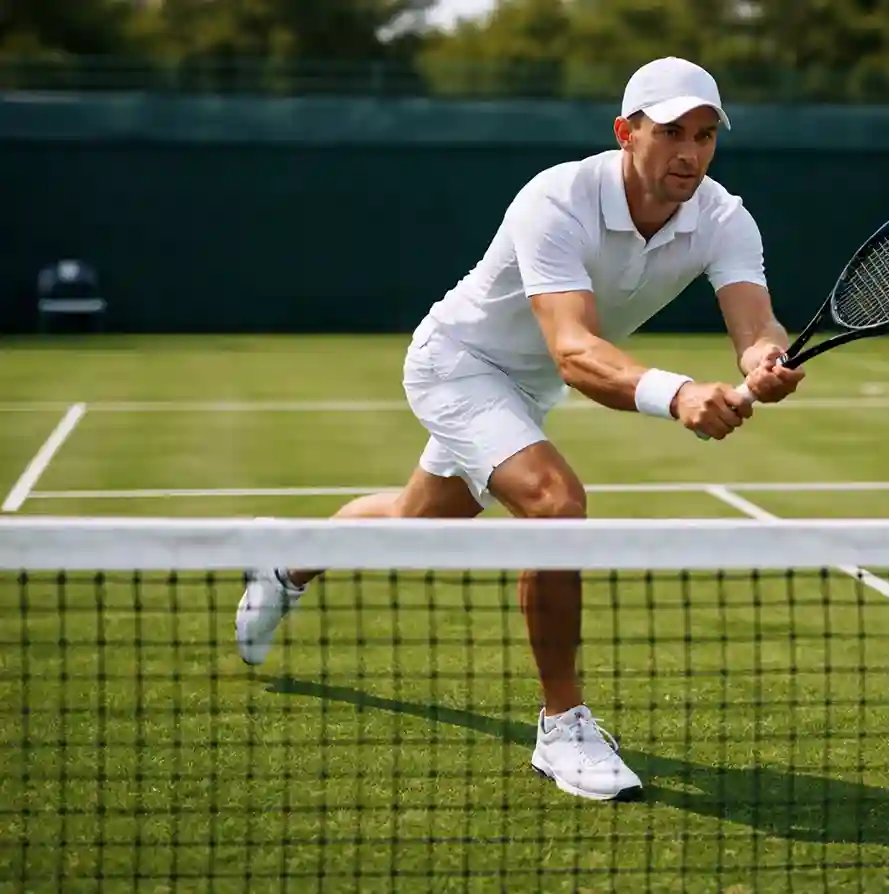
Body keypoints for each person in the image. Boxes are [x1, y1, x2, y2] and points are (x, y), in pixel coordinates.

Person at [235, 56, 805, 802]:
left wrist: (764, 358)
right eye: (670, 133)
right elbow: (575, 352)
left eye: (704, 135)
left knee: (415, 520)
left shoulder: (723, 216)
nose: (690, 153)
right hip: (459, 363)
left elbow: (755, 323)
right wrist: (679, 396)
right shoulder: (558, 200)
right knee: (555, 505)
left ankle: (285, 563)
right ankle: (562, 726)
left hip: (523, 386)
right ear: (625, 132)